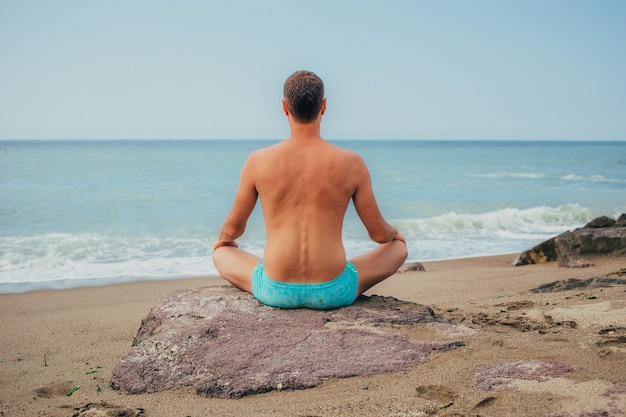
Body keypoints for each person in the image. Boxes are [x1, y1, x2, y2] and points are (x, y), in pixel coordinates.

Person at [212, 70, 408, 309]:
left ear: (285, 107)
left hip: (275, 289)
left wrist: (223, 241)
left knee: (220, 253)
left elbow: (234, 228)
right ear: (323, 106)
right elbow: (379, 234)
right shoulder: (352, 163)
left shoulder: (258, 161)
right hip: (333, 289)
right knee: (398, 248)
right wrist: (394, 234)